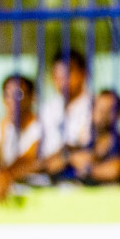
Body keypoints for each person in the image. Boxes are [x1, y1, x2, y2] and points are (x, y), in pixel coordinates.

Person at [0, 74, 45, 202]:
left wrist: (8, 174)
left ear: (32, 97)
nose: (12, 100)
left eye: (18, 94)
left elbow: (35, 159)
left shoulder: (44, 127)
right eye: (7, 95)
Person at [38, 48, 92, 179]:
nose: (62, 82)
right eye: (57, 77)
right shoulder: (48, 109)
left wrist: (64, 157)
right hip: (47, 179)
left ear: (83, 74)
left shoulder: (94, 107)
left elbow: (86, 149)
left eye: (67, 75)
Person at [65, 89, 120, 184]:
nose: (103, 115)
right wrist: (70, 157)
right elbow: (54, 163)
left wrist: (88, 169)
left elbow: (114, 170)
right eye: (99, 109)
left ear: (119, 114)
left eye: (109, 110)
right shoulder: (83, 140)